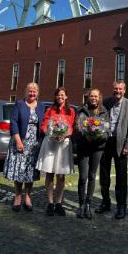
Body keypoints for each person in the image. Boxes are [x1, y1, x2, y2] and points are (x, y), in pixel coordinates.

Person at [95, 81, 128, 219]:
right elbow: (99, 121)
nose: (117, 91)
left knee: (121, 178)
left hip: (121, 144)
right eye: (115, 88)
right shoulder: (106, 102)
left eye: (120, 89)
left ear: (124, 90)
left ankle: (121, 206)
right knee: (104, 176)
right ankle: (105, 203)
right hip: (106, 142)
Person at [3, 82, 45, 212]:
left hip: (34, 145)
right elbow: (14, 122)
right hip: (20, 142)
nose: (32, 93)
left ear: (37, 93)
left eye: (34, 91)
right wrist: (18, 141)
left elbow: (43, 124)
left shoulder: (41, 106)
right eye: (30, 91)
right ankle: (17, 196)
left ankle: (27, 196)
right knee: (19, 171)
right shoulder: (20, 104)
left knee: (30, 172)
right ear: (26, 92)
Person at [36, 87, 75, 216]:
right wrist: (50, 132)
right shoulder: (50, 110)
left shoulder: (71, 111)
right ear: (55, 97)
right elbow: (44, 125)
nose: (60, 97)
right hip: (51, 143)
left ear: (66, 97)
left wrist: (65, 135)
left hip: (64, 144)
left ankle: (59, 203)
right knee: (49, 173)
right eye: (58, 95)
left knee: (61, 175)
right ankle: (50, 203)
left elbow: (71, 127)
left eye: (62, 95)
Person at [75, 89, 110, 219]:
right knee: (83, 177)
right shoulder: (81, 110)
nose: (93, 98)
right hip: (83, 148)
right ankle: (81, 205)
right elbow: (76, 126)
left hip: (97, 148)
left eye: (96, 96)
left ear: (99, 97)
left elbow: (107, 130)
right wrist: (83, 131)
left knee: (92, 175)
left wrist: (97, 136)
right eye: (91, 96)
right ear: (88, 97)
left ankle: (88, 204)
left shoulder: (104, 111)